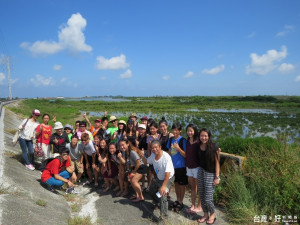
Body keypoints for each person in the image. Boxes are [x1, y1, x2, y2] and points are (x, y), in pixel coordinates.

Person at [141, 140, 175, 219]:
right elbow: (146, 162)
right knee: (151, 190)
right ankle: (158, 203)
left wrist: (163, 186)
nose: (154, 149)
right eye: (152, 148)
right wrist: (142, 156)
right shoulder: (153, 155)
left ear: (160, 147)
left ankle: (163, 217)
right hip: (159, 177)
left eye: (156, 147)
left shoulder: (166, 157)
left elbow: (168, 173)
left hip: (168, 178)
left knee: (162, 194)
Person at [197, 128, 220, 224]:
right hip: (201, 171)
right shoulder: (198, 145)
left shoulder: (214, 147)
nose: (203, 138)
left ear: (209, 137)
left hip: (210, 173)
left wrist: (217, 177)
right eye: (202, 135)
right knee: (202, 195)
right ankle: (205, 214)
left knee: (208, 197)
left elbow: (217, 163)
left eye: (205, 136)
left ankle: (213, 214)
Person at [166, 123, 187, 212]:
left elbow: (186, 155)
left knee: (182, 185)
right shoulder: (170, 140)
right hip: (173, 167)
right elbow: (169, 152)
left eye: (176, 130)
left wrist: (178, 148)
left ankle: (181, 202)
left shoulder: (183, 140)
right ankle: (178, 199)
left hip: (181, 166)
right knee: (176, 184)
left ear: (180, 131)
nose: (174, 131)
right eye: (173, 129)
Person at [185, 124, 202, 214]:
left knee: (199, 188)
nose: (189, 132)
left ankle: (199, 206)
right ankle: (192, 205)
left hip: (197, 167)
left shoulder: (198, 141)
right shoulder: (187, 141)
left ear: (195, 131)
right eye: (188, 130)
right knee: (193, 187)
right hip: (189, 166)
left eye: (191, 130)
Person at [146, 121, 160, 191]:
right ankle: (149, 185)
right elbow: (148, 149)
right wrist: (149, 158)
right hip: (152, 157)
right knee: (151, 172)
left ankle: (158, 187)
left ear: (157, 129)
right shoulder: (149, 137)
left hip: (159, 158)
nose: (152, 130)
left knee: (158, 173)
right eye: (151, 129)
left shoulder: (159, 136)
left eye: (153, 129)